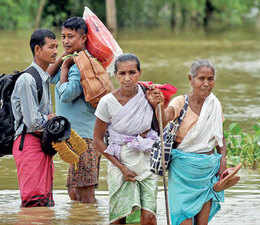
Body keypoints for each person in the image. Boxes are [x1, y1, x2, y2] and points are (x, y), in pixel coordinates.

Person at [162, 59, 240, 225]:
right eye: (201, 78)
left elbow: (220, 136)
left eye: (210, 79)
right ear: (191, 79)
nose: (206, 83)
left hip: (207, 170)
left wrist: (223, 159)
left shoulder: (215, 104)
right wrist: (158, 104)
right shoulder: (180, 102)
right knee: (183, 218)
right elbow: (163, 119)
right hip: (182, 172)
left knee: (202, 222)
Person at [93, 53, 163, 225]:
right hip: (119, 161)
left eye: (132, 73)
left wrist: (158, 105)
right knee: (120, 216)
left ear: (139, 73)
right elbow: (98, 140)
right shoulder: (107, 102)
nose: (127, 78)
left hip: (146, 161)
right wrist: (121, 168)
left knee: (149, 217)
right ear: (115, 75)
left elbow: (161, 126)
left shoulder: (149, 95)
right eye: (122, 74)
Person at [47, 17, 100, 203]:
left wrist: (65, 69)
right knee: (73, 191)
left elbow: (67, 94)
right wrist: (63, 58)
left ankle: (90, 219)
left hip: (85, 137)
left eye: (71, 36)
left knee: (85, 192)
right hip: (75, 137)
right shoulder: (71, 61)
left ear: (84, 38)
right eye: (63, 37)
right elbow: (47, 77)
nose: (66, 41)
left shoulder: (80, 64)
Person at [11, 29, 57, 207]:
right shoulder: (27, 80)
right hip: (28, 142)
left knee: (45, 203)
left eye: (56, 47)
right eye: (51, 47)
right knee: (33, 203)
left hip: (42, 143)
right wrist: (50, 119)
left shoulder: (43, 78)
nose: (55, 51)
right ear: (37, 50)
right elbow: (32, 122)